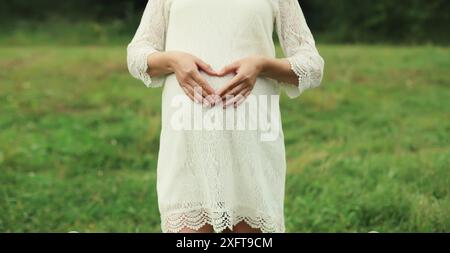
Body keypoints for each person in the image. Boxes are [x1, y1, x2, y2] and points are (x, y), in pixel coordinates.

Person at [127, 0, 324, 233]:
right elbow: (137, 55)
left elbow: (312, 66)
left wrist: (262, 65)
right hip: (187, 140)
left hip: (252, 140)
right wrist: (173, 61)